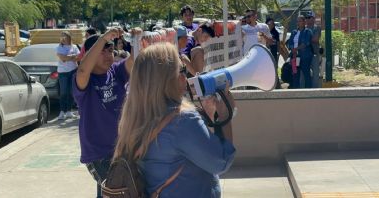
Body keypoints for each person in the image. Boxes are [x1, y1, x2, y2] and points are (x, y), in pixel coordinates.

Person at [113, 44, 236, 197]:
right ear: (164, 80)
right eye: (180, 71)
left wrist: (209, 114)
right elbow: (220, 161)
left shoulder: (135, 118)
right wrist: (225, 115)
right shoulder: (182, 120)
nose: (185, 78)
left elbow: (172, 154)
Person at [73, 27, 139, 187]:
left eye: (110, 50)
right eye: (102, 51)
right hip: (99, 153)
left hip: (122, 147)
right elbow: (83, 70)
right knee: (117, 191)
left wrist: (136, 40)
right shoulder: (83, 80)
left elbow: (134, 61)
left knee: (118, 191)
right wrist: (103, 38)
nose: (108, 55)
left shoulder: (116, 71)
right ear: (90, 54)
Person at [56, 31, 80, 120]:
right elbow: (63, 59)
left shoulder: (74, 47)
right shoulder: (59, 47)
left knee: (71, 92)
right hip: (63, 72)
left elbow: (78, 57)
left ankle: (69, 111)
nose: (62, 38)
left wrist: (68, 57)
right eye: (61, 36)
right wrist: (72, 57)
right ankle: (62, 111)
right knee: (63, 92)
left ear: (68, 37)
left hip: (73, 71)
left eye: (64, 36)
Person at [286, 15, 313, 89]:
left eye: (300, 21)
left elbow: (305, 43)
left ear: (304, 22)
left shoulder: (307, 31)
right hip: (294, 57)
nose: (298, 23)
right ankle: (295, 91)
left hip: (305, 56)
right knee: (295, 74)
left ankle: (309, 91)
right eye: (297, 21)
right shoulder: (294, 32)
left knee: (306, 74)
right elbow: (290, 42)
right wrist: (293, 50)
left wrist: (296, 49)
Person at [305, 12, 322, 88]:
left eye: (309, 17)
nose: (307, 19)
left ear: (314, 19)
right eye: (307, 18)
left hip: (314, 53)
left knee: (315, 72)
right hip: (304, 54)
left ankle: (315, 90)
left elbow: (315, 39)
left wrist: (305, 39)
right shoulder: (303, 28)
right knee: (304, 72)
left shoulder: (317, 28)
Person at [266, 17, 281, 89]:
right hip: (266, 54)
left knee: (275, 69)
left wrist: (279, 53)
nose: (271, 25)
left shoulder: (276, 33)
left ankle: (277, 86)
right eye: (269, 23)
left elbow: (278, 44)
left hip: (274, 53)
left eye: (272, 24)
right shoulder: (264, 33)